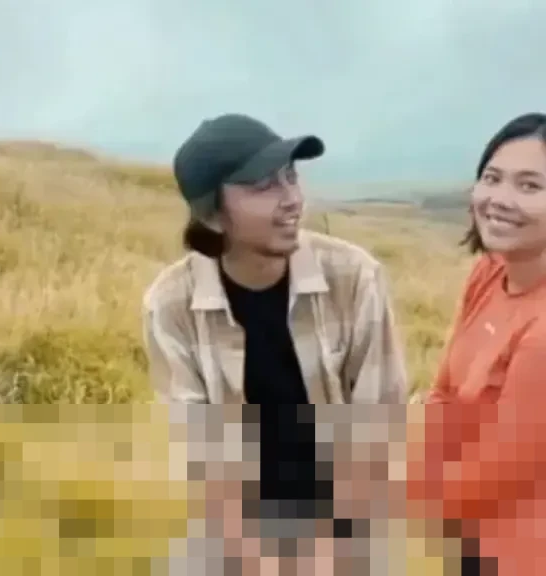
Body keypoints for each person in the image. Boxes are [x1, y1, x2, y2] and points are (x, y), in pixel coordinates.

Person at [142, 113, 408, 574]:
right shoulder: (171, 306)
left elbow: (378, 425)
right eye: (263, 186)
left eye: (291, 176)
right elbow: (201, 454)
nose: (291, 199)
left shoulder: (354, 277)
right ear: (212, 215)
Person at [406, 112, 546, 575]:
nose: (500, 199)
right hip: (476, 538)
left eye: (529, 186)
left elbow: (498, 477)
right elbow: (445, 393)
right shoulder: (489, 273)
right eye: (492, 178)